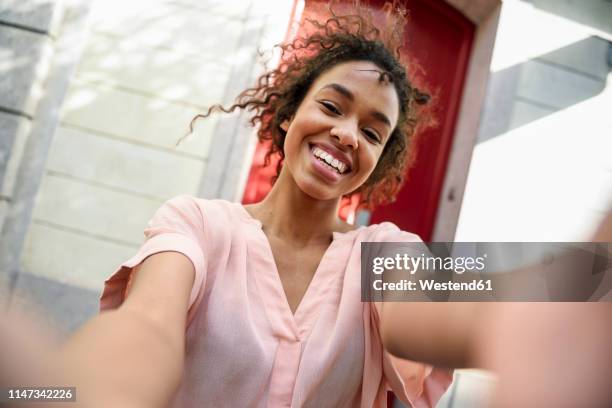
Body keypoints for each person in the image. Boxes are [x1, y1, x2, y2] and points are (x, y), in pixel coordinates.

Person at [59, 2, 452, 407]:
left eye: (372, 133)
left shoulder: (385, 253)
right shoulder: (196, 226)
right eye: (332, 107)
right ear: (290, 114)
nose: (347, 134)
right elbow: (148, 327)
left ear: (378, 161)